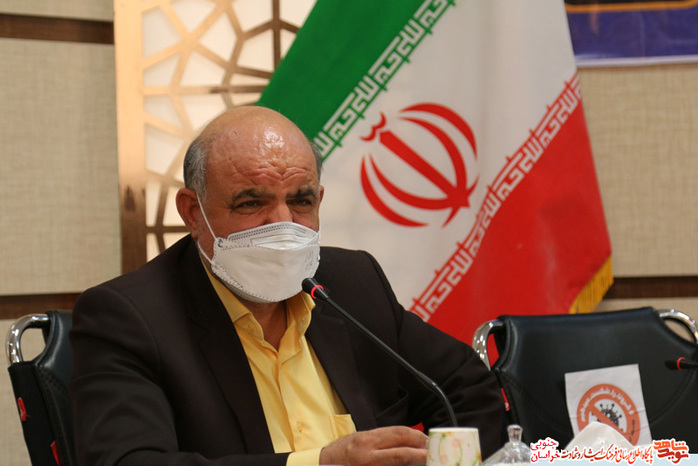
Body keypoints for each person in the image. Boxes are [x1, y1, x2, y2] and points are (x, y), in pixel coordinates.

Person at [70, 106, 505, 465]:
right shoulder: (127, 317)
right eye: (251, 202)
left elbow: (466, 389)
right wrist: (321, 464)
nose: (282, 224)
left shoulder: (352, 282)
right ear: (193, 212)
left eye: (300, 201)